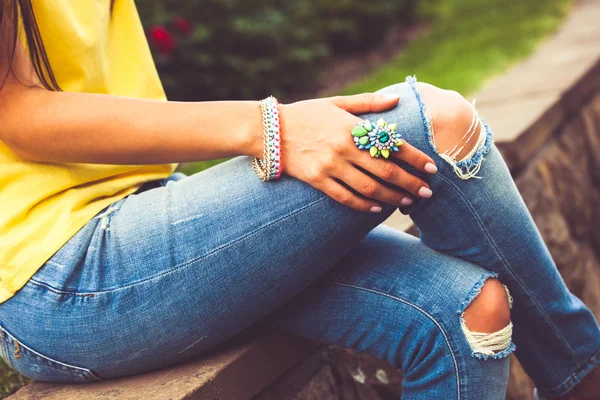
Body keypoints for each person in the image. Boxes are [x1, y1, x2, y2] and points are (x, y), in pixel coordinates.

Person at [0, 1, 598, 399]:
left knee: (471, 312)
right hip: (59, 275)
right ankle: (581, 370)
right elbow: (13, 107)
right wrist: (268, 127)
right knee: (431, 122)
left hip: (142, 211)